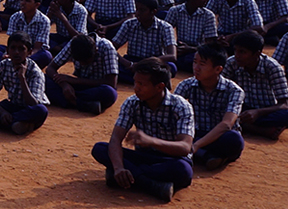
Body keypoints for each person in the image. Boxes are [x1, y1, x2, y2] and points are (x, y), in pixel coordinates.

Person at [93, 58, 197, 203]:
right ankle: (151, 185)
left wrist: (151, 141)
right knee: (99, 149)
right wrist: (118, 168)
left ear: (160, 87)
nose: (136, 87)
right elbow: (116, 139)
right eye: (135, 82)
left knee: (183, 169)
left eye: (142, 84)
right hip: (143, 156)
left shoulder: (181, 106)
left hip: (170, 159)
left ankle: (132, 178)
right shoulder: (132, 102)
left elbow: (185, 148)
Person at [174, 40, 245, 170]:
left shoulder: (234, 90)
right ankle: (206, 156)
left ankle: (196, 153)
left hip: (218, 136)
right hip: (194, 133)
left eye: (202, 64)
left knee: (234, 140)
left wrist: (196, 146)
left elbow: (226, 124)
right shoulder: (186, 85)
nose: (196, 68)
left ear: (218, 69)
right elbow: (171, 112)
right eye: (195, 62)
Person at [226, 30, 288, 140]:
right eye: (235, 50)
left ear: (257, 53)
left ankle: (243, 125)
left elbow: (284, 104)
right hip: (240, 107)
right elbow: (220, 90)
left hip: (265, 111)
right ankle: (257, 129)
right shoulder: (231, 63)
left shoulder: (273, 67)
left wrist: (257, 112)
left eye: (242, 52)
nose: (237, 55)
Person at [0, 35, 50, 136]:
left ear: (29, 52)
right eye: (13, 48)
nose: (17, 52)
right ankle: (14, 124)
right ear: (7, 51)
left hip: (27, 109)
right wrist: (2, 112)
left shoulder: (35, 72)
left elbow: (33, 104)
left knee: (41, 110)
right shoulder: (3, 65)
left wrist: (22, 78)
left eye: (21, 49)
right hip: (11, 106)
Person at [47, 33, 119, 115]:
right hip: (77, 87)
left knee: (109, 93)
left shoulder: (107, 48)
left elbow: (111, 83)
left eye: (86, 61)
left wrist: (74, 80)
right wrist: (64, 85)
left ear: (95, 51)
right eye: (79, 61)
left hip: (96, 87)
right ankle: (83, 104)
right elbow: (50, 68)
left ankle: (72, 101)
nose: (82, 64)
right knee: (44, 80)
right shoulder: (74, 44)